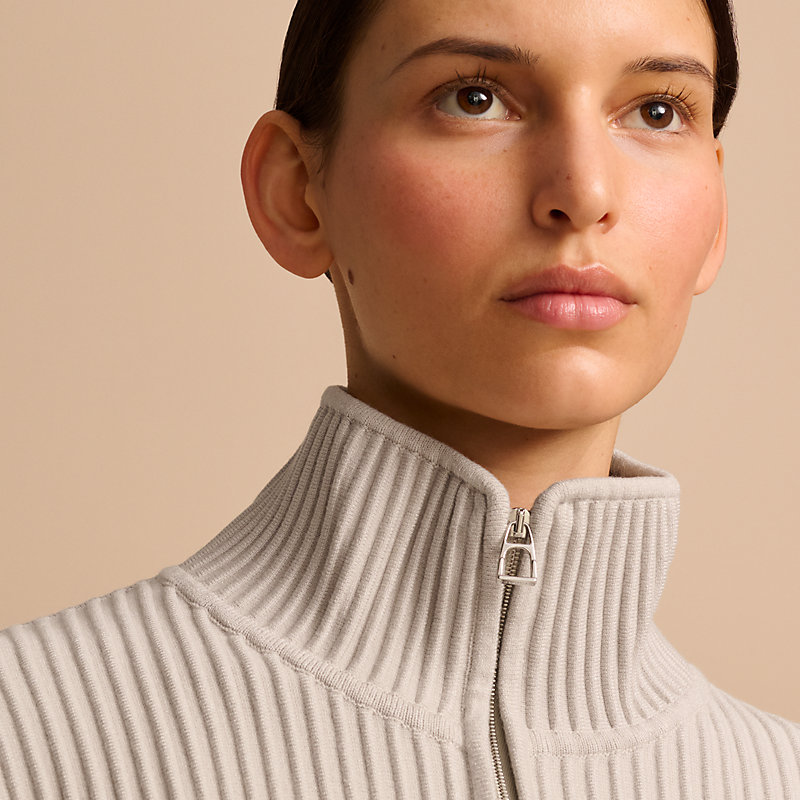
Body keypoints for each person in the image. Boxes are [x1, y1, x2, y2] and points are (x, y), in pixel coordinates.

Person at [0, 0, 798, 798]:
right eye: (474, 98)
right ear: (296, 192)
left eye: (657, 112)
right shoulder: (30, 737)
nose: (583, 192)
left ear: (716, 218)